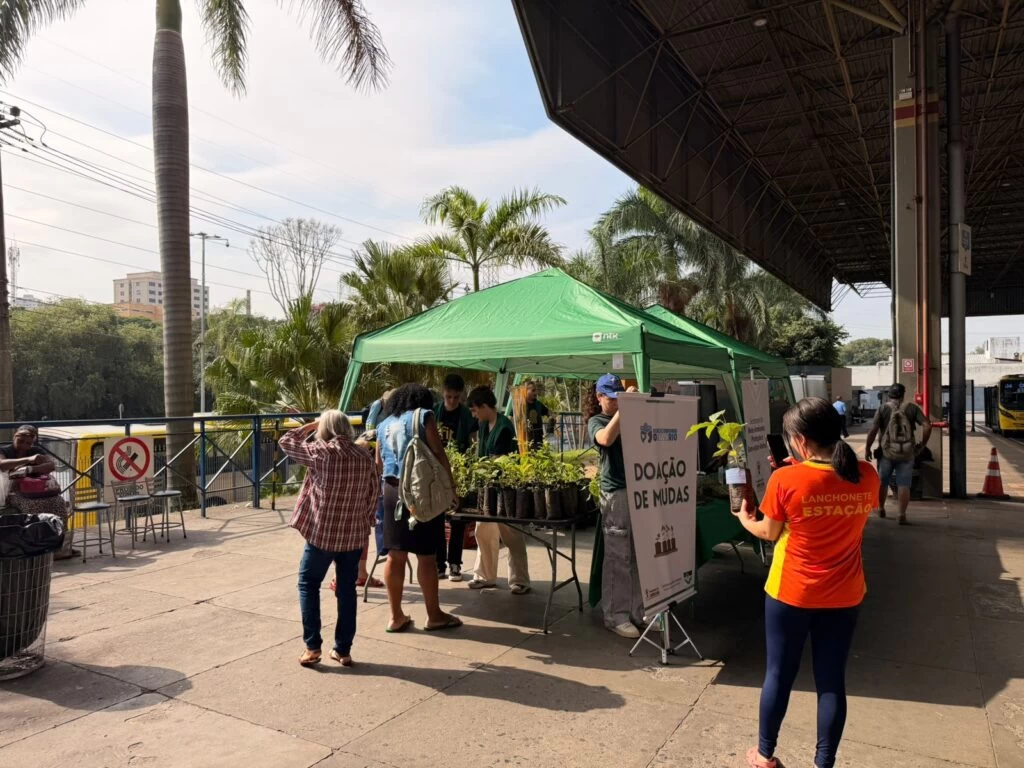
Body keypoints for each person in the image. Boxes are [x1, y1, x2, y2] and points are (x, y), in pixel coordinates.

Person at [733, 397, 879, 768]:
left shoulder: (785, 479)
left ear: (798, 440)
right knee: (831, 681)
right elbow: (836, 496)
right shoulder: (868, 475)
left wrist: (743, 518)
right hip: (845, 595)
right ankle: (823, 763)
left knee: (779, 675)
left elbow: (768, 531)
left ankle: (764, 755)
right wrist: (801, 469)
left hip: (790, 593)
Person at [279, 411, 379, 667]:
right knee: (347, 591)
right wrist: (365, 523)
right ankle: (343, 650)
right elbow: (372, 494)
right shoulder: (363, 457)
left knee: (308, 584)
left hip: (321, 534)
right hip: (353, 536)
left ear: (324, 429)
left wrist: (309, 427)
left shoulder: (319, 453)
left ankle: (313, 647)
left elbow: (286, 441)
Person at [376, 384, 463, 632]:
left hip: (392, 492)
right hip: (420, 491)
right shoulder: (424, 416)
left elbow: (379, 462)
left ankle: (395, 616)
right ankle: (434, 615)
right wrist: (450, 487)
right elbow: (438, 451)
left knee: (395, 554)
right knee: (426, 555)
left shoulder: (383, 425)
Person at [587, 374, 643, 639]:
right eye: (611, 398)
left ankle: (638, 610)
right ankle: (615, 615)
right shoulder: (596, 421)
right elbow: (605, 439)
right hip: (616, 492)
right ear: (599, 397)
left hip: (638, 487)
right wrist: (626, 409)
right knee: (618, 555)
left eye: (618, 397)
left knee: (638, 554)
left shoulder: (625, 413)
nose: (616, 402)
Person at [466, 385, 532, 594]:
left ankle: (520, 579)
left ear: (485, 406)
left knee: (511, 533)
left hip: (506, 489)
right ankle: (485, 575)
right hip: (488, 488)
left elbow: (498, 461)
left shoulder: (504, 426)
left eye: (476, 410)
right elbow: (481, 455)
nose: (475, 415)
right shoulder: (484, 426)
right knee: (483, 530)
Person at [1, 425, 75, 559]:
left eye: (28, 443)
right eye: (21, 441)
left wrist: (30, 469)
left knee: (58, 503)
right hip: (14, 492)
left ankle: (61, 545)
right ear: (14, 437)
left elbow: (51, 465)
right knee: (31, 508)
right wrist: (27, 460)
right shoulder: (5, 451)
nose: (24, 445)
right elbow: (2, 464)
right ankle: (36, 545)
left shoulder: (36, 451)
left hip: (36, 490)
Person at [864, 383, 932, 525]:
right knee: (904, 484)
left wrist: (867, 448)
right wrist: (922, 444)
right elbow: (927, 425)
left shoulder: (883, 408)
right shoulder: (912, 408)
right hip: (907, 453)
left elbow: (873, 430)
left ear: (889, 395)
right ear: (903, 394)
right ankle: (901, 514)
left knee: (882, 483)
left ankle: (881, 508)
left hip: (886, 453)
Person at [433, 374, 477, 582]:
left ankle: (455, 564)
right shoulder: (433, 412)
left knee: (458, 518)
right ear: (443, 393)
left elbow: (474, 441)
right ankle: (439, 564)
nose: (451, 401)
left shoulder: (466, 415)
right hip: (436, 473)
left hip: (459, 471)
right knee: (437, 520)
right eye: (448, 396)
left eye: (456, 398)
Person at [522, 381, 550, 449]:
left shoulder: (538, 404)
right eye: (533, 390)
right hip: (524, 440)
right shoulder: (520, 405)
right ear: (525, 390)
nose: (536, 393)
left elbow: (550, 413)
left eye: (536, 391)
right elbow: (511, 418)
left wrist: (552, 419)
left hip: (538, 440)